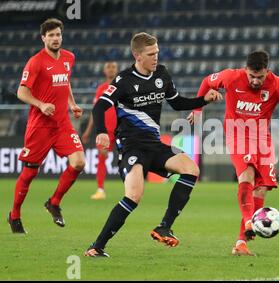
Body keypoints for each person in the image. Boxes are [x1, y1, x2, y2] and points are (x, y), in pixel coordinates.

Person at [84, 33, 222, 257]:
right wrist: (101, 132)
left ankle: (164, 226)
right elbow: (99, 107)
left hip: (154, 144)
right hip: (131, 146)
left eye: (157, 52)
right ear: (137, 56)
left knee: (191, 169)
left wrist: (203, 100)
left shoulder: (162, 74)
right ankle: (96, 246)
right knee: (134, 196)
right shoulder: (124, 80)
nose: (156, 57)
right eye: (151, 54)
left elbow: (177, 102)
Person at [188, 50, 279, 256]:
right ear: (246, 70)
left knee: (262, 190)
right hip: (237, 134)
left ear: (267, 71)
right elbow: (207, 82)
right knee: (247, 175)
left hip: (262, 138)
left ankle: (241, 243)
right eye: (252, 76)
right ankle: (250, 221)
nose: (256, 80)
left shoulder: (278, 84)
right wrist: (197, 108)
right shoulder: (231, 76)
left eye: (260, 77)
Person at [7, 18, 85, 234]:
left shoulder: (69, 57)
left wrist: (72, 104)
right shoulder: (35, 62)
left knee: (78, 162)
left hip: (62, 124)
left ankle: (54, 202)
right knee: (30, 172)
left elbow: (65, 81)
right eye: (51, 35)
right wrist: (41, 105)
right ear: (43, 38)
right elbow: (22, 92)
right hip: (40, 126)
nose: (55, 38)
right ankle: (14, 215)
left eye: (58, 34)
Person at [81, 61, 119, 200]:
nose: (111, 69)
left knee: (128, 158)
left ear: (117, 70)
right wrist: (88, 130)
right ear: (104, 71)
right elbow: (95, 111)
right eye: (108, 67)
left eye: (113, 67)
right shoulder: (101, 88)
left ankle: (131, 189)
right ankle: (100, 189)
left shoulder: (122, 86)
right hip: (105, 130)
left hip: (122, 129)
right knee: (102, 157)